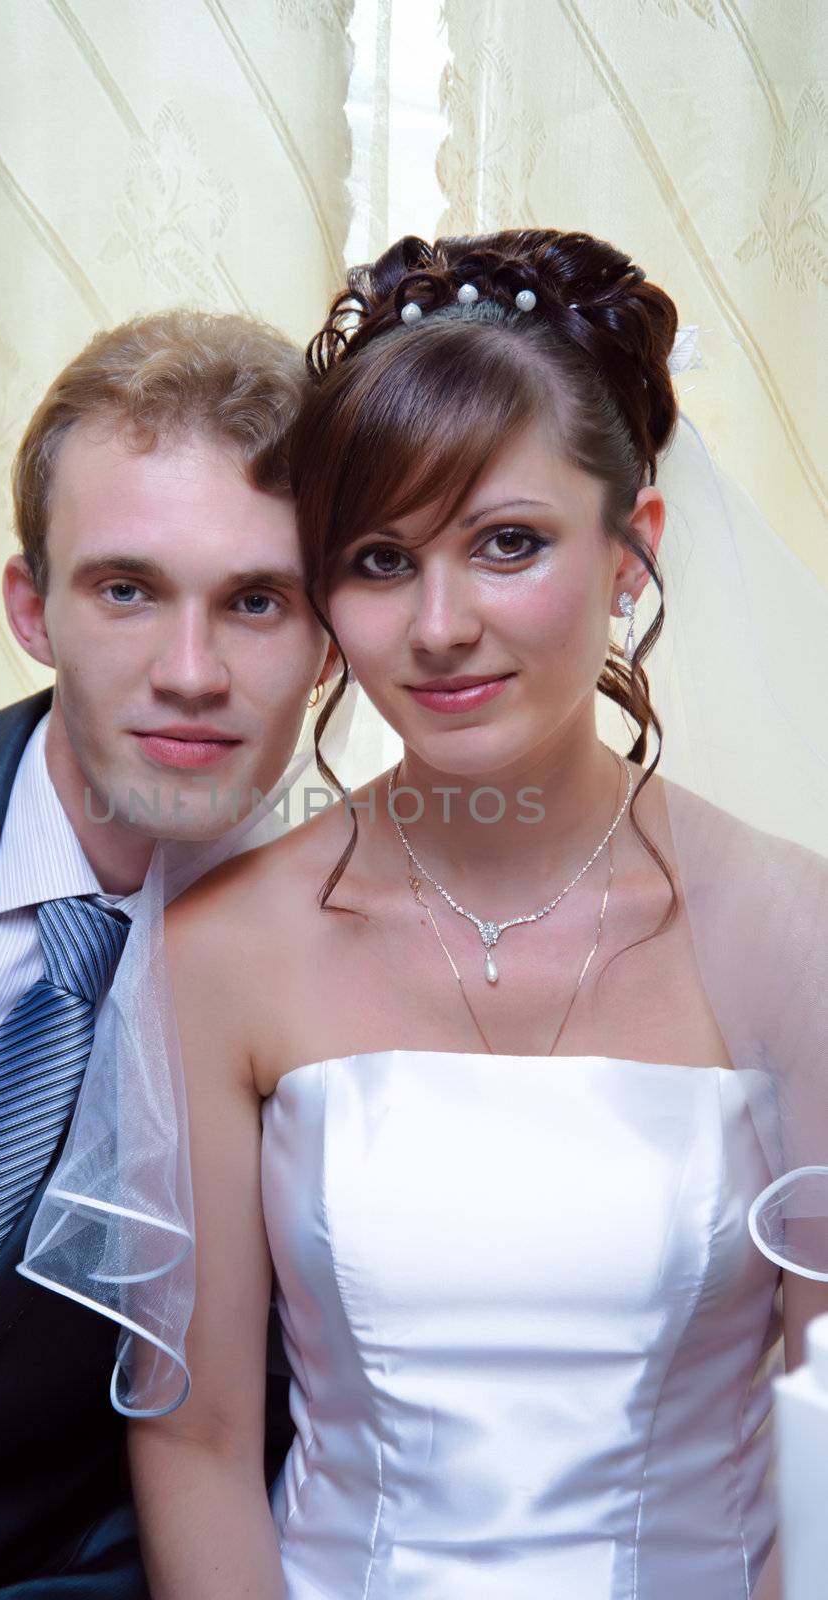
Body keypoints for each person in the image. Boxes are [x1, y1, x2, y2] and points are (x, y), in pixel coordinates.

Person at [121, 233, 828, 1598]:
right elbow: (199, 1439)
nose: (440, 627)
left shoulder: (795, 933)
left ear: (634, 552)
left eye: (509, 545)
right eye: (381, 561)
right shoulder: (224, 952)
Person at [0, 308, 331, 1597]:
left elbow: (242, 1470)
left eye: (257, 600)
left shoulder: (359, 990)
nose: (189, 671)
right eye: (128, 589)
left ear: (330, 638)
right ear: (33, 608)